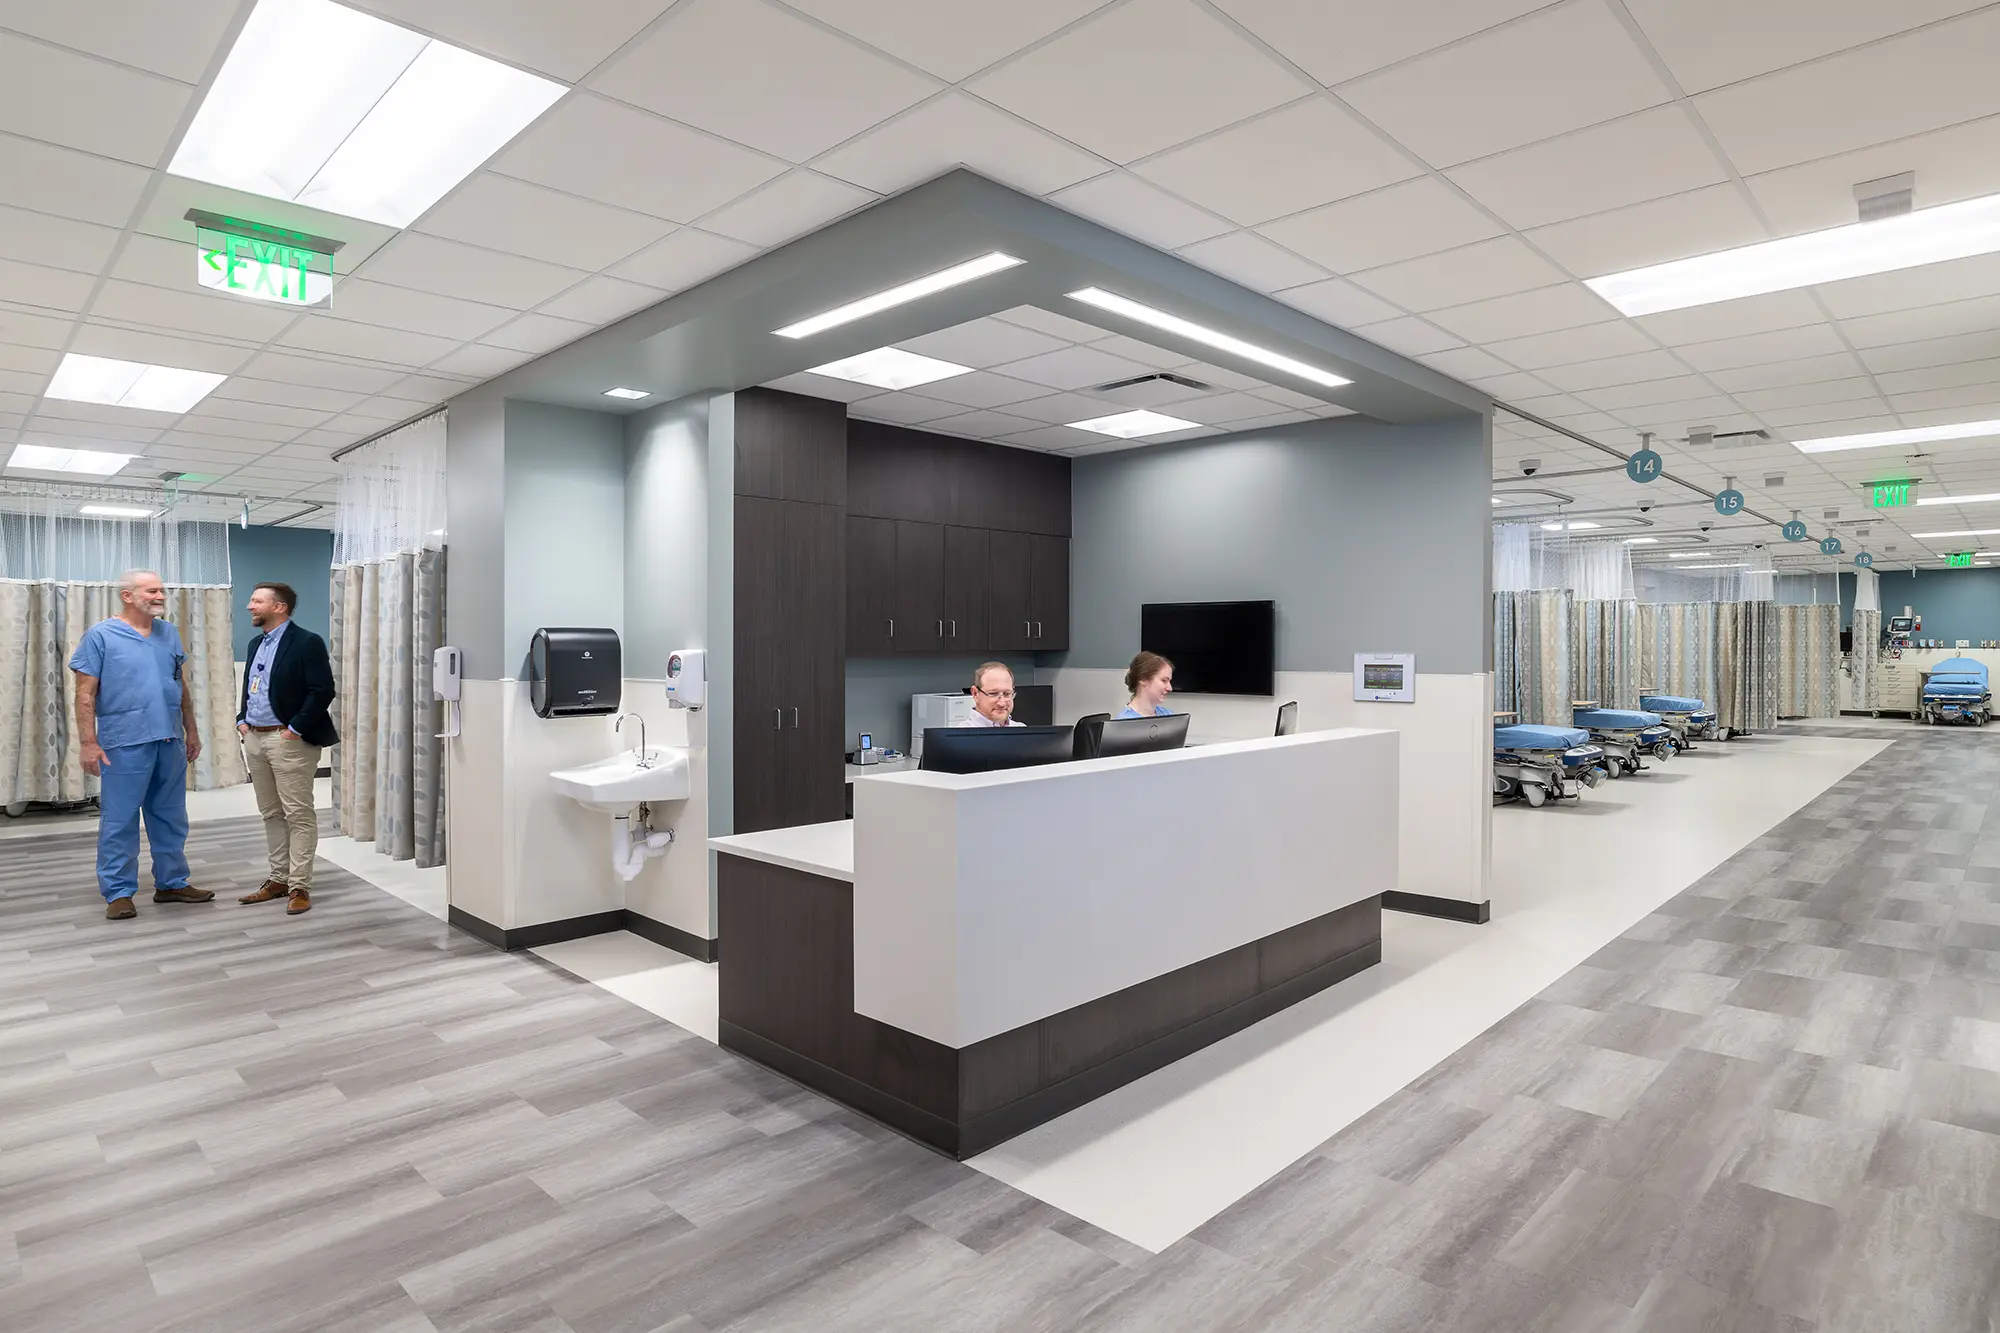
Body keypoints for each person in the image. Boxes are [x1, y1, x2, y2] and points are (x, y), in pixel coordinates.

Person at [69, 570, 212, 921]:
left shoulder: (168, 633)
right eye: (151, 590)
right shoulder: (100, 636)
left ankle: (172, 882)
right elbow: (84, 694)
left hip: (169, 739)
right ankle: (118, 892)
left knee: (171, 816)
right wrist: (89, 742)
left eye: (162, 590)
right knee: (120, 818)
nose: (160, 595)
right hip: (125, 741)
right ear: (128, 596)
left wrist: (191, 730)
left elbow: (181, 686)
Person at [235, 581, 338, 916]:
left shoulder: (307, 642)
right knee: (271, 814)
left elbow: (322, 690)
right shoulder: (256, 643)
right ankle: (278, 879)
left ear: (278, 607)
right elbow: (253, 685)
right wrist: (242, 718)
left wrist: (294, 730)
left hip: (287, 740)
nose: (249, 606)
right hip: (256, 737)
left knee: (298, 814)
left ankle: (299, 885)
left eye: (256, 601)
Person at [955, 661, 1024, 727]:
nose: (1002, 704)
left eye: (1007, 694)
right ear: (975, 694)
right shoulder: (961, 736)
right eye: (993, 694)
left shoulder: (1023, 732)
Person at [1116, 651, 1176, 719]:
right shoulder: (1124, 723)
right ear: (1143, 679)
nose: (1170, 688)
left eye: (1169, 681)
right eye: (1164, 680)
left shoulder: (1168, 715)